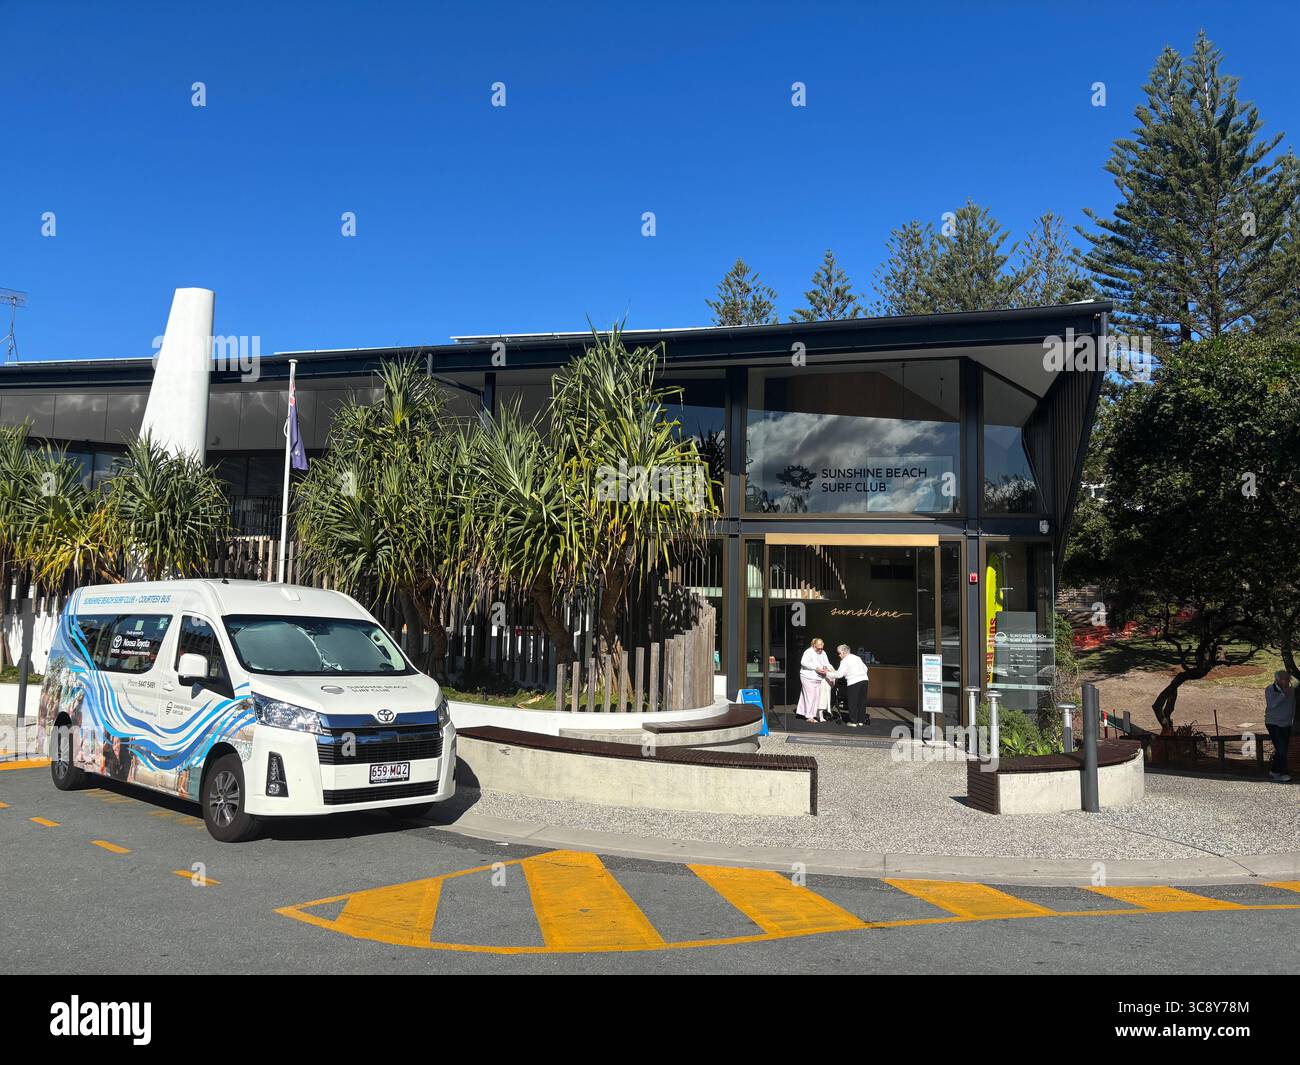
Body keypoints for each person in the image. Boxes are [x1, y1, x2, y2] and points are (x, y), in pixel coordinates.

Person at [828, 644, 870, 727]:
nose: (839, 655)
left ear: (844, 652)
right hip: (864, 680)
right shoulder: (857, 657)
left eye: (839, 653)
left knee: (853, 702)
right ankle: (860, 721)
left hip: (853, 681)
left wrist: (827, 673)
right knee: (861, 701)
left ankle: (853, 722)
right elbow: (866, 668)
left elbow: (839, 675)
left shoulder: (844, 661)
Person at [1264, 670, 1294, 783]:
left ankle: (1274, 770)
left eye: (1288, 679)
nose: (1286, 681)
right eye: (1284, 679)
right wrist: (1282, 695)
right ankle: (1283, 773)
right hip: (1273, 722)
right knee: (1281, 748)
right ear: (1277, 680)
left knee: (1282, 749)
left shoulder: (1292, 690)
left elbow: (1293, 705)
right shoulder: (1270, 689)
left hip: (1286, 723)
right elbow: (1271, 705)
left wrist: (1291, 720)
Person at [796, 638, 832, 723]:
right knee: (810, 696)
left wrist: (827, 669)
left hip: (819, 677)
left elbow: (827, 663)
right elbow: (803, 662)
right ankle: (809, 716)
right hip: (808, 676)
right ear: (813, 645)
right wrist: (815, 668)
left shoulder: (823, 652)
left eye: (822, 647)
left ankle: (808, 713)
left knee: (816, 697)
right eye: (818, 648)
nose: (820, 649)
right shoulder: (808, 652)